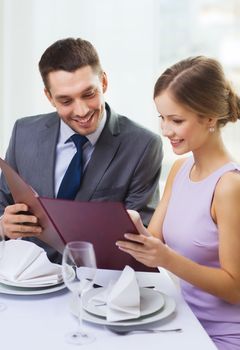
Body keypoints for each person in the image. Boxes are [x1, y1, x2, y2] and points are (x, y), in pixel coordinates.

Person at [0, 37, 163, 262]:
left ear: (103, 82)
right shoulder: (23, 132)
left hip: (99, 285)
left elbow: (141, 234)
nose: (82, 110)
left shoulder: (144, 146)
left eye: (89, 94)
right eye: (66, 101)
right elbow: (3, 202)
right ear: (49, 97)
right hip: (26, 280)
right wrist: (3, 225)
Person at [116, 56, 240, 349]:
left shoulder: (230, 187)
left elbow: (235, 287)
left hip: (221, 335)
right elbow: (153, 240)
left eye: (176, 120)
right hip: (181, 320)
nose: (165, 130)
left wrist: (167, 259)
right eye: (162, 117)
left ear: (209, 118)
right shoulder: (180, 169)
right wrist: (126, 225)